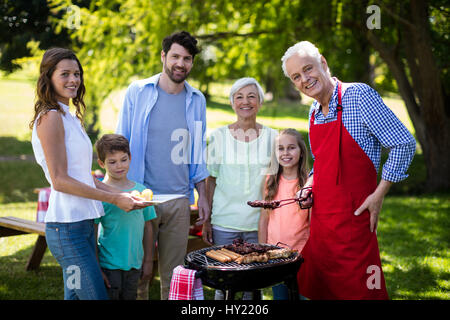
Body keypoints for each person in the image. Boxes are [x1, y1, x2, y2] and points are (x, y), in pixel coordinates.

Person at [281, 41, 416, 299]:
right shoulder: (313, 112)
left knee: (361, 291)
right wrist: (309, 185)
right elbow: (320, 162)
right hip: (321, 225)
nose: (304, 79)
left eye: (308, 69)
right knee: (321, 290)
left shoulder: (359, 96)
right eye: (296, 76)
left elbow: (404, 142)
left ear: (322, 62)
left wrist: (379, 194)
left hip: (355, 221)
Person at [30, 48, 149, 300]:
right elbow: (60, 181)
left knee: (74, 297)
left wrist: (126, 195)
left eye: (77, 73)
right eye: (65, 74)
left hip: (83, 227)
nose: (73, 80)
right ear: (48, 77)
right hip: (67, 231)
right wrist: (115, 200)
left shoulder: (70, 117)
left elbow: (87, 178)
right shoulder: (50, 118)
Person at [116, 31, 210, 300]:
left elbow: (197, 152)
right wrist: (118, 190)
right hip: (139, 199)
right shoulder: (138, 91)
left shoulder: (197, 100)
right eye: (175, 56)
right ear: (163, 56)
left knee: (175, 276)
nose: (181, 63)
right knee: (139, 273)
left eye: (187, 59)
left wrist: (202, 196)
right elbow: (121, 141)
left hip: (179, 200)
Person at [203, 77, 278, 300]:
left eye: (251, 96)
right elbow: (210, 180)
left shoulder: (274, 138)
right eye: (239, 97)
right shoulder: (218, 137)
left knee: (252, 287)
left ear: (260, 102)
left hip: (258, 224)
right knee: (223, 284)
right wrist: (207, 220)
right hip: (224, 222)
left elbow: (278, 183)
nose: (245, 102)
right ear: (232, 102)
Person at [93, 134, 157, 300]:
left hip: (135, 263)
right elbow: (92, 230)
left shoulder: (141, 191)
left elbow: (148, 226)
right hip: (109, 264)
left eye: (123, 159)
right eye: (112, 162)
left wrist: (149, 261)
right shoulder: (101, 194)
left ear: (130, 158)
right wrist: (96, 266)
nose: (119, 166)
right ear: (101, 163)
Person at [258, 128, 310, 300]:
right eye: (280, 148)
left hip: (302, 255)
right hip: (275, 254)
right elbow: (264, 218)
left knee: (302, 296)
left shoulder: (307, 184)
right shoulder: (270, 180)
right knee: (280, 297)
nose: (285, 153)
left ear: (301, 152)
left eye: (291, 147)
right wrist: (262, 249)